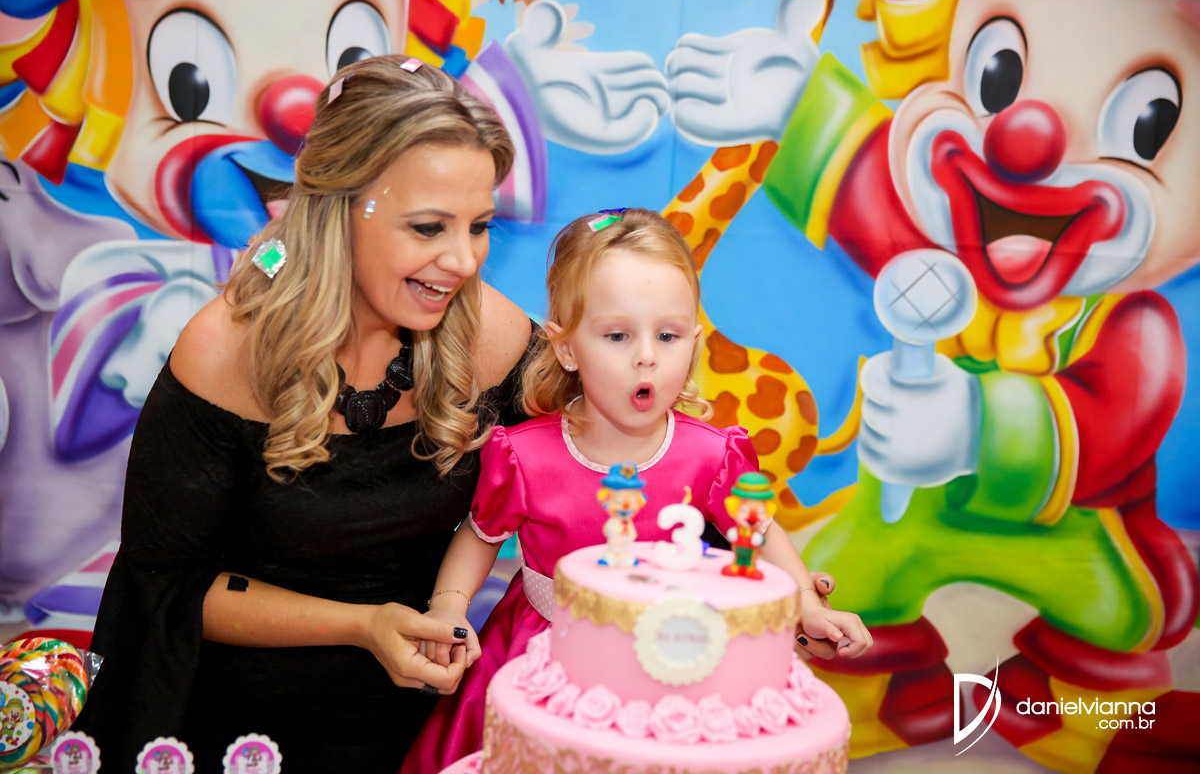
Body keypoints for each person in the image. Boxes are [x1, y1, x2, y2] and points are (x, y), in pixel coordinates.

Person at [71, 55, 535, 773]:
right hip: (234, 736)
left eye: (478, 227)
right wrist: (363, 626)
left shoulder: (491, 332)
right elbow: (165, 589)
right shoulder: (225, 351)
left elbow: (599, 462)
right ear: (338, 206)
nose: (463, 261)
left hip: (415, 732)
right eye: (428, 227)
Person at [401, 208, 873, 772]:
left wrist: (805, 604)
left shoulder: (712, 455)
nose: (647, 354)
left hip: (680, 662)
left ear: (693, 343)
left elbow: (760, 532)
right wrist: (448, 604)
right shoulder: (524, 455)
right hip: (538, 655)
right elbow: (480, 536)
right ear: (566, 347)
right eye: (618, 335)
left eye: (667, 335)